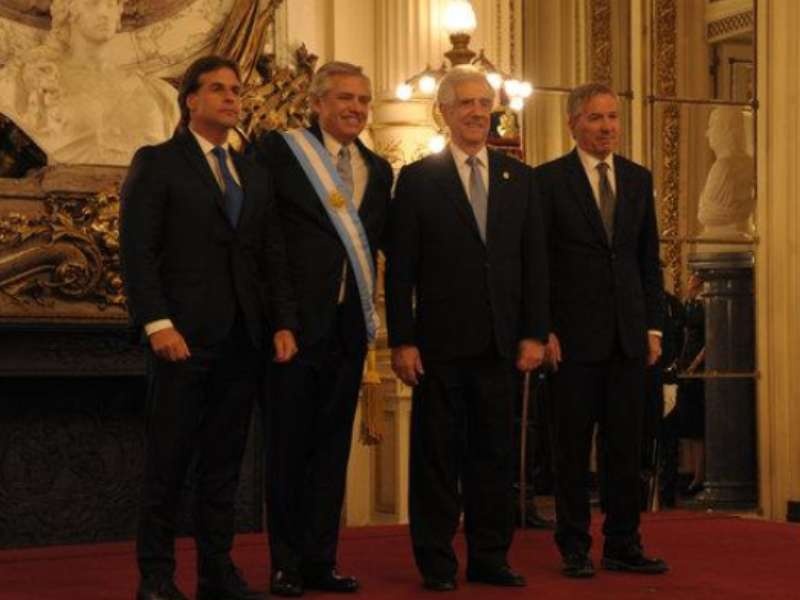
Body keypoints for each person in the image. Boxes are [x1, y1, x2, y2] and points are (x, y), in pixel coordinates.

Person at [120, 55, 298, 600]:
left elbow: (272, 255)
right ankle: (156, 578)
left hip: (243, 341)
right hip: (181, 339)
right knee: (168, 463)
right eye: (217, 89)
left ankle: (215, 571)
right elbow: (138, 251)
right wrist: (157, 323)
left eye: (236, 90)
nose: (230, 98)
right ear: (191, 100)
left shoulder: (253, 172)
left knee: (224, 466)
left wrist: (283, 323)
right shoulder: (158, 162)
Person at [386, 66, 549, 592]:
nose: (478, 112)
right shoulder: (418, 179)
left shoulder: (520, 178)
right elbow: (401, 270)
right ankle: (436, 563)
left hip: (501, 346)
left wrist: (534, 333)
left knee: (494, 459)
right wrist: (402, 340)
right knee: (436, 460)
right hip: (438, 347)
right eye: (466, 104)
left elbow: (535, 264)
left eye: (484, 103)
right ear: (445, 113)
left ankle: (490, 558)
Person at [250, 61, 393, 597]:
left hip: (348, 331)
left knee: (332, 451)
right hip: (292, 331)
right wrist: (281, 320)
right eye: (344, 98)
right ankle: (285, 564)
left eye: (363, 99)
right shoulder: (280, 152)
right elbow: (266, 243)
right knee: (288, 449)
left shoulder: (379, 169)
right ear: (317, 103)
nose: (356, 108)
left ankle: (320, 561)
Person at [532, 82, 668, 578]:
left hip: (628, 338)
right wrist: (543, 328)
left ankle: (623, 543)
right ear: (573, 124)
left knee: (625, 449)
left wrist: (653, 327)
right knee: (570, 450)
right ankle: (573, 546)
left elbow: (647, 259)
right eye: (596, 118)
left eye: (612, 117)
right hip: (570, 340)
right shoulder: (546, 181)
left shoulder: (637, 178)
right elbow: (537, 264)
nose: (607, 127)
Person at [0, 0, 178, 165]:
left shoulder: (159, 94)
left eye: (110, 4)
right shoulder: (32, 80)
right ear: (69, 10)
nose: (104, 13)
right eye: (93, 3)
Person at [677, 272, 706, 496]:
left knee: (697, 426)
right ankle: (692, 472)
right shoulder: (687, 305)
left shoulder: (704, 305)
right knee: (687, 425)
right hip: (684, 365)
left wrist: (695, 364)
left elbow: (709, 339)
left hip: (698, 369)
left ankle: (699, 475)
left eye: (694, 278)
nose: (690, 281)